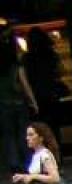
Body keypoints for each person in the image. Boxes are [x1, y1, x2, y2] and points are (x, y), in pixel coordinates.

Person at [0, 33, 37, 175]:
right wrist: (33, 101)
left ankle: (14, 163)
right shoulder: (16, 66)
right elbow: (25, 84)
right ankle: (27, 162)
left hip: (3, 104)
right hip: (19, 103)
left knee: (8, 135)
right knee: (23, 133)